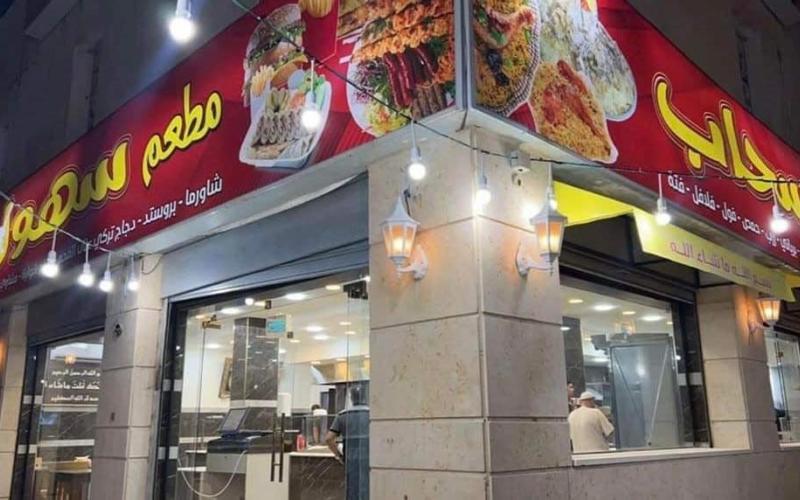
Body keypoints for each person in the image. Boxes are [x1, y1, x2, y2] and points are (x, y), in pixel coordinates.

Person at [326, 385, 369, 500]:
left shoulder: (343, 415)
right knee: (368, 487)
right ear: (365, 397)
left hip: (351, 457)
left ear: (351, 397)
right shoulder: (372, 414)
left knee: (352, 488)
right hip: (369, 456)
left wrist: (339, 455)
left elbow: (329, 439)